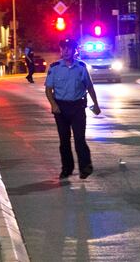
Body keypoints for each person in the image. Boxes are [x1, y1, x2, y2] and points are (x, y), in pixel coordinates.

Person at [44, 39, 101, 180]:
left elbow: (89, 87)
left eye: (69, 48)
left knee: (79, 139)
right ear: (60, 50)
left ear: (74, 50)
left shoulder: (81, 67)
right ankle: (67, 169)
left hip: (77, 107)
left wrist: (96, 104)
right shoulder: (55, 68)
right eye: (63, 48)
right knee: (64, 141)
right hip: (61, 109)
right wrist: (53, 104)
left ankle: (85, 167)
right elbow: (48, 89)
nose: (66, 51)